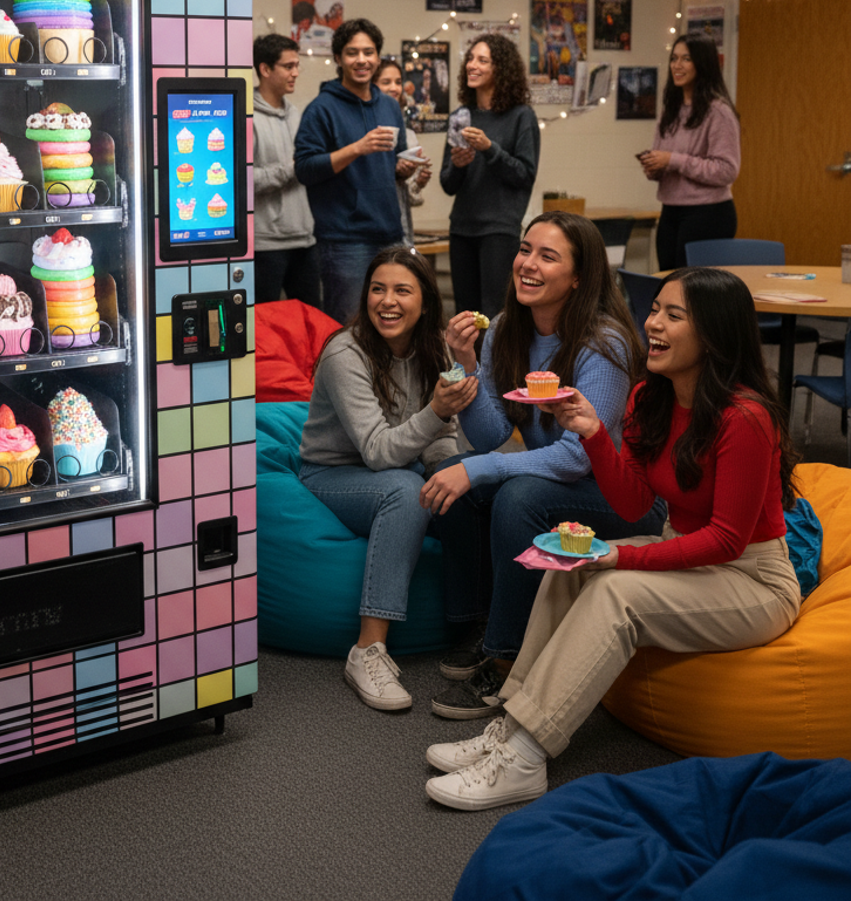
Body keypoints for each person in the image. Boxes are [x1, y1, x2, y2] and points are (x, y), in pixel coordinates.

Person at [424, 267, 802, 810]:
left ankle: (527, 757)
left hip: (754, 579)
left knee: (612, 588)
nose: (653, 323)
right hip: (692, 559)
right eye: (656, 310)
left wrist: (618, 555)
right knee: (568, 560)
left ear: (714, 334)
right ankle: (511, 725)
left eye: (674, 315)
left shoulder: (745, 417)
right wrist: (595, 434)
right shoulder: (654, 397)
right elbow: (631, 505)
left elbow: (724, 541)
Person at [419, 210, 665, 719]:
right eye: (525, 249)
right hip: (567, 481)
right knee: (455, 479)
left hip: (626, 499)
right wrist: (467, 364)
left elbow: (577, 459)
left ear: (578, 278)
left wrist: (481, 469)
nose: (527, 264)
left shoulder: (606, 343)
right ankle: (479, 624)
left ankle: (510, 662)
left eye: (547, 256)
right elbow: (489, 436)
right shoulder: (509, 326)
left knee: (514, 494)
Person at [299, 247, 477, 710]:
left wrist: (445, 471)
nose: (387, 301)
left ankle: (477, 631)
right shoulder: (346, 352)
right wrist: (436, 410)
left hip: (405, 466)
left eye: (402, 290)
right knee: (404, 492)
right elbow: (378, 452)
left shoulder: (434, 347)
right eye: (378, 289)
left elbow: (446, 434)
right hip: (334, 472)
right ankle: (367, 650)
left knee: (470, 487)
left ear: (424, 300)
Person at [295, 19, 417, 323]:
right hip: (344, 241)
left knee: (393, 323)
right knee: (347, 326)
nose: (361, 60)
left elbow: (392, 165)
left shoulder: (389, 106)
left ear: (377, 57)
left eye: (368, 52)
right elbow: (305, 169)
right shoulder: (321, 109)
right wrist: (356, 148)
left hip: (390, 233)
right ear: (338, 59)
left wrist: (404, 168)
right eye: (352, 53)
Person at [439, 34, 540, 320]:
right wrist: (458, 165)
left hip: (499, 231)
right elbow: (448, 184)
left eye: (482, 60)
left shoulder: (522, 116)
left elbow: (524, 174)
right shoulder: (460, 115)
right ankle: (467, 367)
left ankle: (496, 367)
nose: (472, 65)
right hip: (461, 229)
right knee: (466, 316)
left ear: (501, 69)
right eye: (470, 59)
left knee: (496, 316)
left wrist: (489, 148)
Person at [637, 33, 739, 270]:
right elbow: (665, 162)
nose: (677, 66)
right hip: (670, 211)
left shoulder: (719, 112)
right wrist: (654, 166)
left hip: (708, 214)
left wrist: (672, 160)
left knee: (691, 292)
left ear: (702, 64)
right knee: (668, 284)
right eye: (674, 59)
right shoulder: (670, 111)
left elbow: (727, 170)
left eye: (686, 59)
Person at [252, 34, 320, 307]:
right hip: (266, 244)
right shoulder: (246, 117)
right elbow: (242, 182)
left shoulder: (298, 114)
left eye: (297, 65)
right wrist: (293, 169)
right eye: (288, 66)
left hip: (305, 240)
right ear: (265, 69)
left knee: (312, 323)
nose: (296, 73)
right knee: (266, 329)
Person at [375, 58, 432, 244]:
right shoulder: (362, 129)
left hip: (401, 230)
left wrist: (418, 182)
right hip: (370, 231)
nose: (395, 88)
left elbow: (410, 198)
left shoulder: (408, 135)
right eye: (386, 82)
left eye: (398, 82)